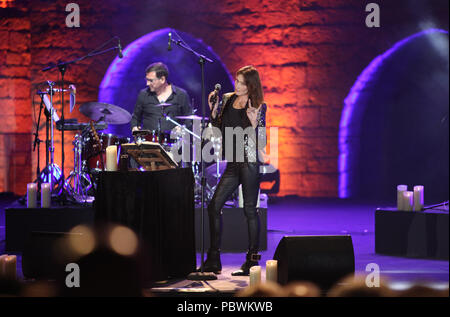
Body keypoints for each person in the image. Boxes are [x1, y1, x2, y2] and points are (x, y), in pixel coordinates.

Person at [203, 65, 267, 276]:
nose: (236, 85)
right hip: (232, 163)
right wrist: (213, 111)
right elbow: (219, 129)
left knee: (249, 210)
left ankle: (252, 260)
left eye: (241, 82)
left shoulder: (258, 105)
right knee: (214, 205)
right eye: (236, 80)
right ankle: (213, 258)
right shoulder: (228, 99)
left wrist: (253, 123)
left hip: (249, 161)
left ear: (251, 86)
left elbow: (261, 142)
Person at [131, 62, 192, 135]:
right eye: (146, 80)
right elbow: (135, 117)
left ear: (162, 79)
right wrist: (134, 127)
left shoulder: (181, 95)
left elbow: (189, 119)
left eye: (151, 80)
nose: (147, 84)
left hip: (173, 143)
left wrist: (182, 128)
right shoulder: (143, 94)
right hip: (149, 142)